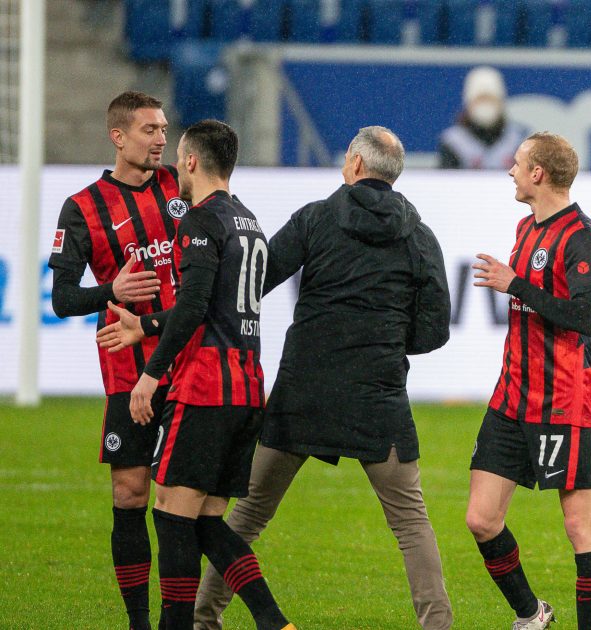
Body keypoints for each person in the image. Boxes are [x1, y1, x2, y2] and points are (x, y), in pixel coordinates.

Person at [101, 126, 456, 629]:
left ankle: (204, 618)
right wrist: (386, 346)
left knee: (245, 514)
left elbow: (251, 285)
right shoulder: (419, 237)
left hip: (301, 394)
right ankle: (437, 626)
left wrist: (161, 324)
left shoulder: (317, 218)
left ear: (355, 165)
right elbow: (435, 329)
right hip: (378, 399)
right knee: (410, 523)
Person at [126, 119, 293, 630]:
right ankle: (273, 621)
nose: (176, 163)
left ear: (193, 161)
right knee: (204, 520)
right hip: (247, 388)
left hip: (205, 386)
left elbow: (195, 305)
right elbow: (218, 303)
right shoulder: (249, 221)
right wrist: (150, 324)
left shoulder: (199, 222)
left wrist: (151, 374)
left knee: (172, 515)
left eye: (180, 155)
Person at [48, 90, 183, 630]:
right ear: (118, 136)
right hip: (127, 375)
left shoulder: (180, 184)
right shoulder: (82, 208)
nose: (161, 139)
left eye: (164, 129)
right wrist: (110, 290)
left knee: (183, 501)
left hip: (187, 364)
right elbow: (62, 298)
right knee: (130, 494)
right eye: (149, 130)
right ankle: (138, 624)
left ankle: (183, 617)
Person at [466, 132, 591, 630]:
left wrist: (515, 284)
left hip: (562, 399)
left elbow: (585, 317)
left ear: (538, 174)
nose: (510, 168)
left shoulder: (582, 237)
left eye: (518, 161)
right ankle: (532, 614)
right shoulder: (526, 228)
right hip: (511, 395)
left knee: (579, 525)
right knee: (481, 519)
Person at [438, 65, 529, 169]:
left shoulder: (518, 139)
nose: (485, 106)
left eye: (490, 99)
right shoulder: (453, 142)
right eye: (480, 99)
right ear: (469, 103)